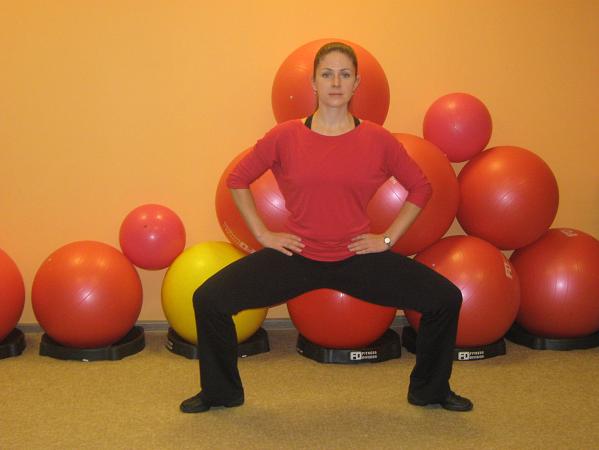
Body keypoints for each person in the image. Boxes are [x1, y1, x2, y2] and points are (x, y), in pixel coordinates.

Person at [180, 42, 473, 414]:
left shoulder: (377, 139)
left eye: (345, 75)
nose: (336, 83)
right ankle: (220, 393)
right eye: (327, 74)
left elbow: (421, 187)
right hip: (298, 255)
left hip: (355, 256)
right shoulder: (285, 136)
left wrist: (387, 239)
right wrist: (263, 234)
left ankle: (430, 391)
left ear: (356, 84)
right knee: (209, 300)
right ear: (314, 83)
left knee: (445, 299)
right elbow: (237, 179)